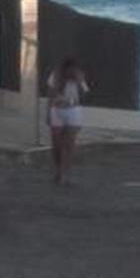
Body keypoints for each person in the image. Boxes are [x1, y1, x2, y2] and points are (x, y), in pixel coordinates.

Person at [46, 56, 89, 185]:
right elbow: (50, 94)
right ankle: (59, 169)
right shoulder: (56, 76)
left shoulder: (78, 77)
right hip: (57, 109)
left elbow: (84, 95)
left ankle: (64, 173)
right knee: (57, 144)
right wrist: (48, 113)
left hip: (73, 110)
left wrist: (79, 81)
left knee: (69, 144)